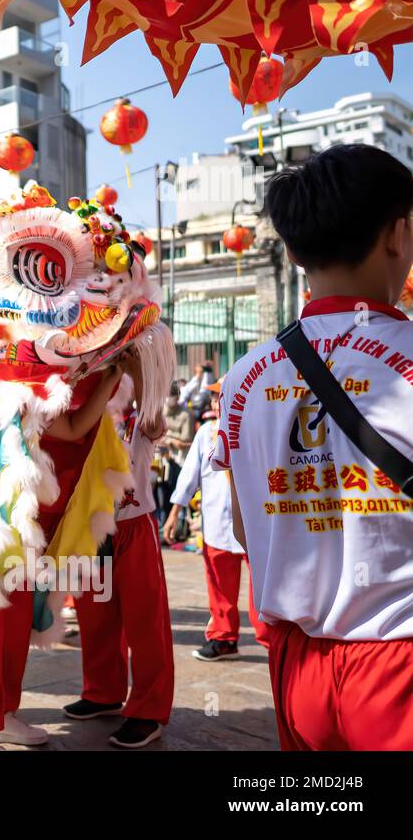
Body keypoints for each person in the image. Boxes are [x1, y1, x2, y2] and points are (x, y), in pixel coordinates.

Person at [215, 144, 413, 750]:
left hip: (298, 672)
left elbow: (247, 529)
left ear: (294, 251)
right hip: (400, 662)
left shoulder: (243, 378)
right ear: (399, 233)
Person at [0, 360, 124, 750]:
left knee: (14, 632)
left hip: (20, 536)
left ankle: (5, 713)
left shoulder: (26, 400)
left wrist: (111, 376)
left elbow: (76, 427)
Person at [64, 353, 175, 748]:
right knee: (94, 616)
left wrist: (137, 371)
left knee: (145, 620)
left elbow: (154, 421)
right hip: (92, 529)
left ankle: (148, 710)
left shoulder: (137, 422)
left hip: (134, 528)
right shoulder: (86, 421)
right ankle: (103, 692)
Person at [166, 382, 268, 660]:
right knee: (219, 584)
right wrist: (175, 512)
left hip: (253, 524)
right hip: (216, 525)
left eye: (219, 397)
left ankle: (272, 637)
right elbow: (190, 475)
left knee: (264, 584)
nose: (214, 403)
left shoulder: (259, 430)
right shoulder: (204, 434)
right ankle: (223, 637)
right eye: (212, 398)